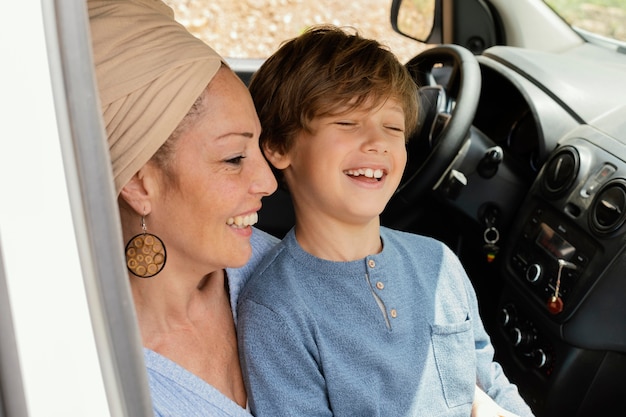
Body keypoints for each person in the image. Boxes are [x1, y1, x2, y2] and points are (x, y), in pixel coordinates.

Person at [237, 25, 535, 417]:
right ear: (278, 146)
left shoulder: (438, 262)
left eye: (393, 128)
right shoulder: (277, 311)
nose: (377, 142)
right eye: (347, 123)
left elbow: (487, 379)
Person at [88, 0, 279, 415]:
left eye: (259, 149)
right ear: (139, 183)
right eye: (233, 159)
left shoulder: (282, 268)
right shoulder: (88, 371)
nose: (268, 182)